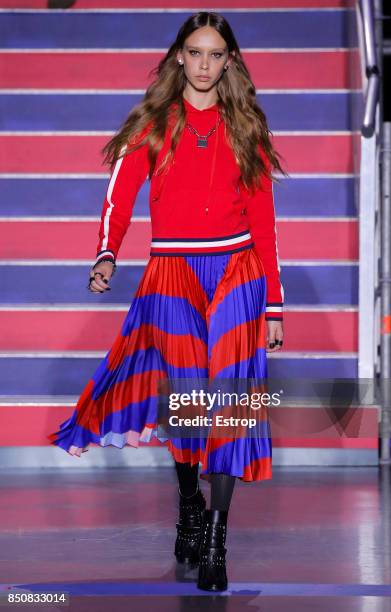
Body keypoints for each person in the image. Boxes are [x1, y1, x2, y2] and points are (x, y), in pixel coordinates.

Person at [48, 11, 286, 592]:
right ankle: (188, 503)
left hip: (236, 269)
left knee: (228, 399)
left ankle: (216, 539)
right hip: (172, 271)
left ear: (230, 60)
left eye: (216, 54)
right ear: (179, 55)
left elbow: (264, 220)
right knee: (185, 399)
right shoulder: (154, 122)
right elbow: (120, 194)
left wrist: (274, 307)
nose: (205, 64)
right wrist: (107, 254)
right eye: (195, 52)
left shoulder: (245, 125)